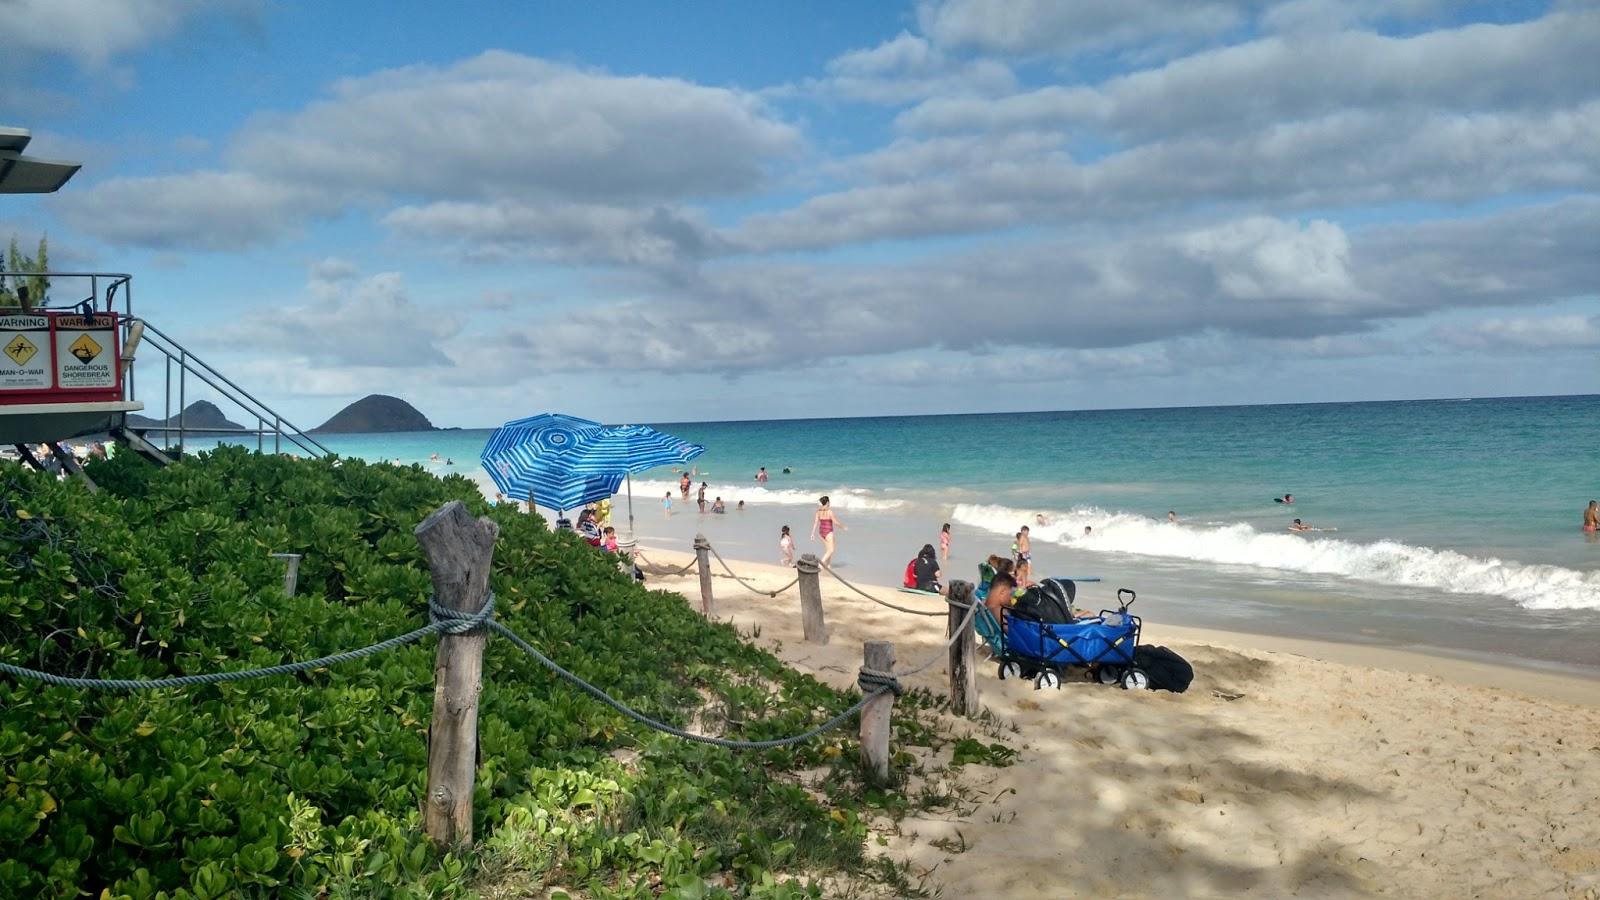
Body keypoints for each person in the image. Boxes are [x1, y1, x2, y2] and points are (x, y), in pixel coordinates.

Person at [811, 495, 844, 566]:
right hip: (828, 532)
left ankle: (828, 566)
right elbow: (835, 522)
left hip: (821, 532)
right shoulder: (829, 512)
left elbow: (815, 523)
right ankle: (821, 564)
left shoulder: (818, 512)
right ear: (828, 502)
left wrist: (812, 533)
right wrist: (843, 527)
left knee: (828, 550)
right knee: (831, 550)